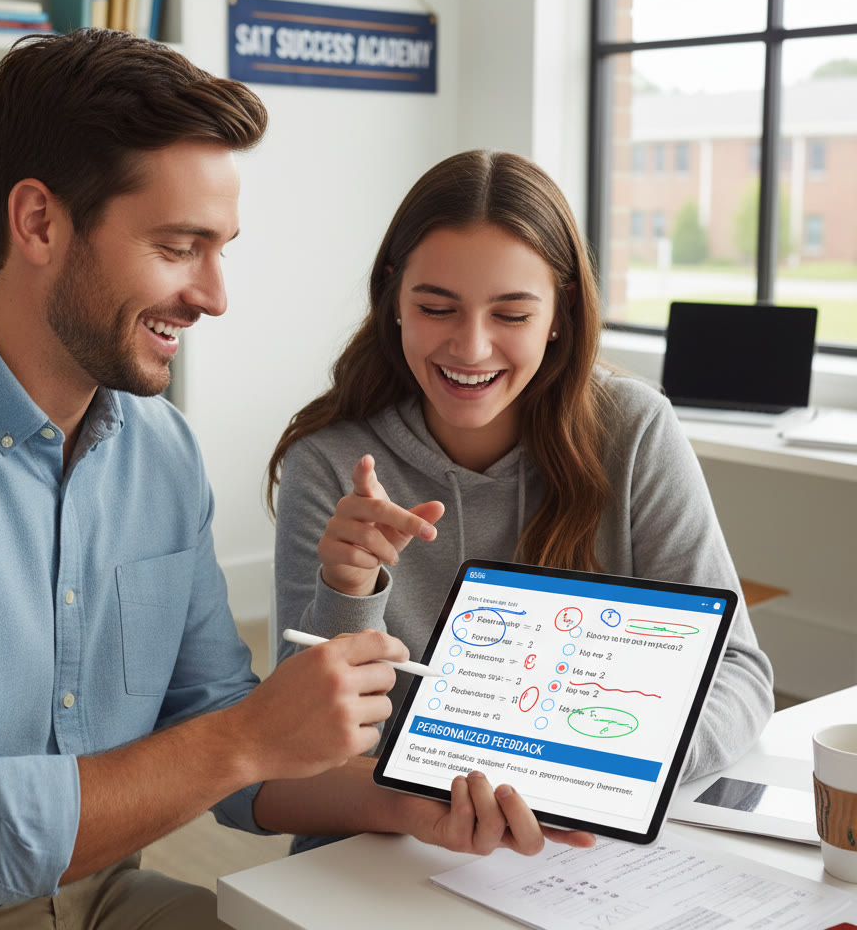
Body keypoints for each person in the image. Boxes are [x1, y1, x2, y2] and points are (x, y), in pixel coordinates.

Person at [0, 35, 593, 930]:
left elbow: (230, 753)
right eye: (178, 246)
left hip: (103, 894)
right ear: (38, 222)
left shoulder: (160, 451)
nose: (215, 295)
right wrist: (247, 736)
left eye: (222, 247)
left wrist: (406, 804)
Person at [268, 150, 775, 850]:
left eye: (511, 313)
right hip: (383, 857)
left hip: (580, 852)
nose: (471, 347)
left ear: (560, 313)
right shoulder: (327, 462)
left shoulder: (632, 430)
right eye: (436, 307)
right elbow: (297, 759)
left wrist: (603, 781)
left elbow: (739, 674)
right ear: (393, 299)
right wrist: (349, 590)